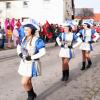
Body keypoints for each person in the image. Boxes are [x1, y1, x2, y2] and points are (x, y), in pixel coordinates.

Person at [17, 22, 46, 100]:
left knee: (24, 82)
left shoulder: (37, 40)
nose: (25, 31)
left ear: (32, 31)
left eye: (27, 30)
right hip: (24, 63)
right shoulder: (23, 38)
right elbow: (18, 47)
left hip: (32, 64)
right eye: (24, 30)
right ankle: (32, 94)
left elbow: (43, 52)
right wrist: (20, 54)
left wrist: (32, 57)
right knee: (28, 81)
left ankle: (30, 96)